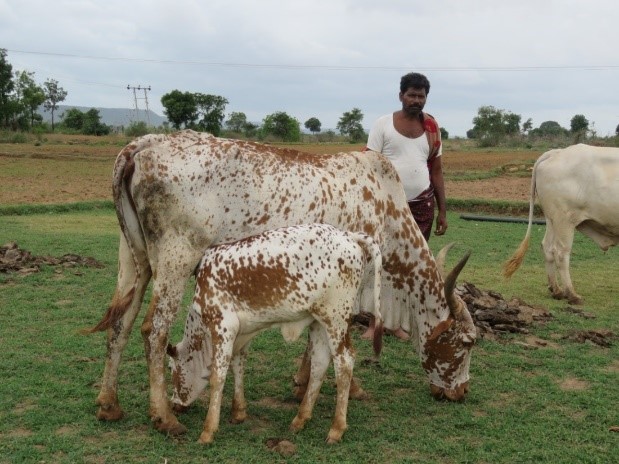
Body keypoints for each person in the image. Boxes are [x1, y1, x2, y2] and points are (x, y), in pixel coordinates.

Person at [362, 72, 448, 340]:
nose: (416, 100)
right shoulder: (383, 125)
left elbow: (436, 171)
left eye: (421, 96)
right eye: (411, 95)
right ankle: (374, 322)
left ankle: (398, 323)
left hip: (422, 206)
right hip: (385, 206)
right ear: (401, 96)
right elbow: (367, 166)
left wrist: (443, 210)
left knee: (411, 264)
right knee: (380, 261)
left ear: (426, 99)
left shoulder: (432, 129)